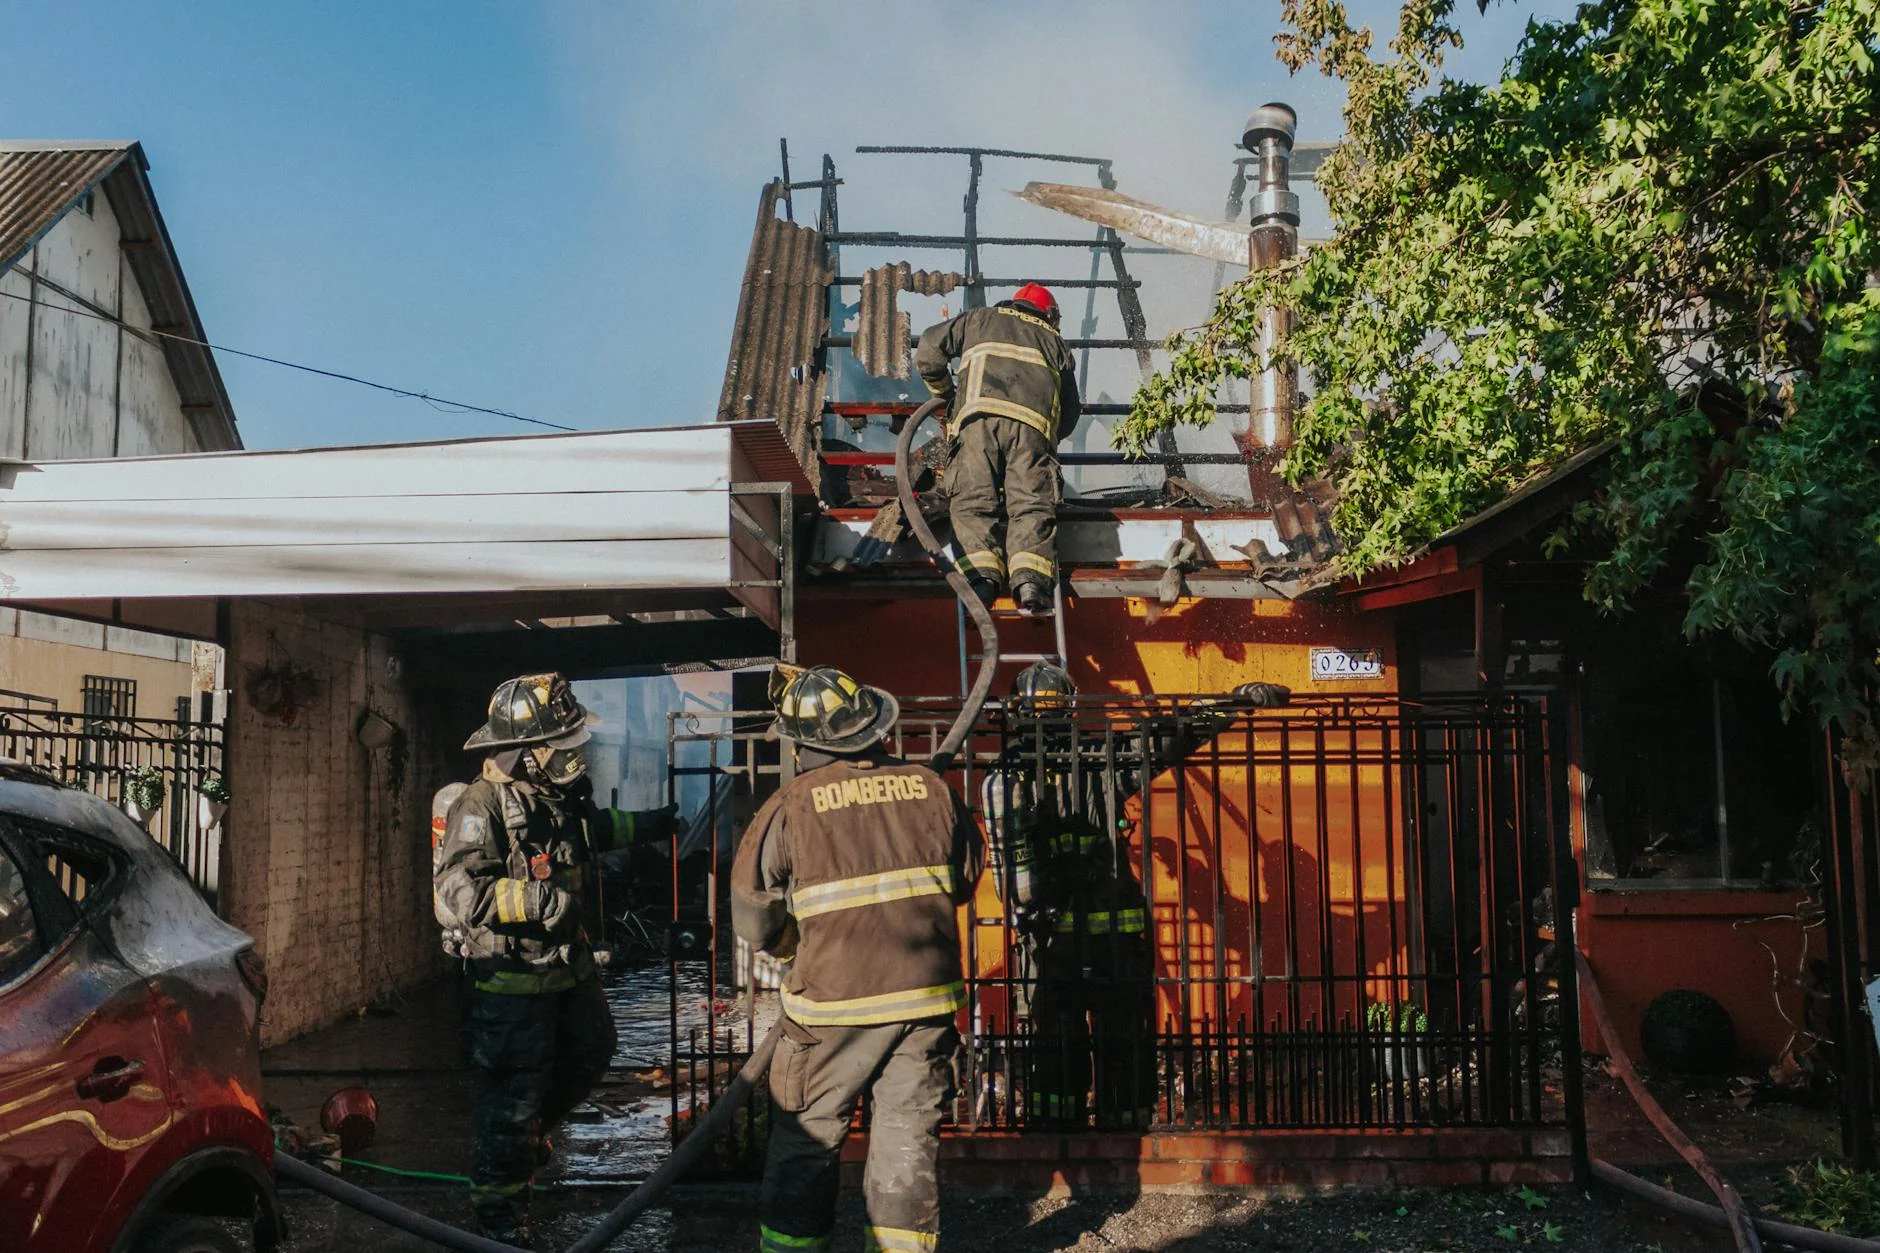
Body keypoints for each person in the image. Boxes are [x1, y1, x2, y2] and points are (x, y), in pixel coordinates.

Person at [734, 665, 983, 1253]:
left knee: (807, 1139)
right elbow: (966, 878)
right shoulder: (932, 788)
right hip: (925, 1002)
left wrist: (790, 946)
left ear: (801, 744)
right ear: (873, 725)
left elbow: (753, 914)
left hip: (831, 1011)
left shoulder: (792, 804)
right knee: (907, 1139)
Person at [982, 662, 1290, 1128]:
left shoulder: (1008, 775)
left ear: (1016, 712)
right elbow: (1171, 735)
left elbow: (1013, 879)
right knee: (1121, 1044)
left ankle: (1056, 1136)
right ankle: (1125, 1134)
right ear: (1071, 707)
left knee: (1055, 1048)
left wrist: (1232, 704)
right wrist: (1232, 703)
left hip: (1048, 942)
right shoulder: (1101, 758)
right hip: (1115, 941)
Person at [432, 672, 676, 1245]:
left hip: (568, 972)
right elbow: (460, 890)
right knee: (510, 1104)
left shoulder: (556, 797)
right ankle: (498, 1220)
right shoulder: (481, 805)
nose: (573, 756)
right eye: (560, 745)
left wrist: (652, 824)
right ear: (526, 752)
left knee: (595, 1049)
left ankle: (534, 1131)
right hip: (511, 987)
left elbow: (592, 831)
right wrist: (539, 902)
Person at [915, 282, 1081, 618]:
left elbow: (929, 349)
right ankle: (1031, 584)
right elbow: (1070, 413)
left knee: (972, 502)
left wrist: (946, 395)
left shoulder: (978, 319)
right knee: (1031, 505)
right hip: (1032, 433)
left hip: (977, 425)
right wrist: (1046, 441)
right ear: (1049, 315)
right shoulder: (1056, 343)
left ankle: (982, 582)